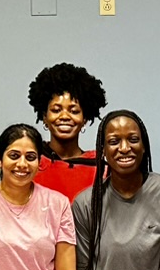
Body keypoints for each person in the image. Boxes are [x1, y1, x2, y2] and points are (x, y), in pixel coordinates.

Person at [73, 109, 160, 270]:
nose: (125, 148)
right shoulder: (85, 204)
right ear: (102, 150)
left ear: (143, 147)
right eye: (114, 141)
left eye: (133, 140)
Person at [0, 124, 77, 270]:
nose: (22, 164)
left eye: (30, 157)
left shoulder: (59, 204)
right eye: (14, 156)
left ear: (39, 162)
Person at [28, 62, 108, 202]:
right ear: (44, 116)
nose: (64, 117)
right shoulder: (30, 161)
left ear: (85, 118)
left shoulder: (100, 169)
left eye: (74, 111)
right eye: (56, 110)